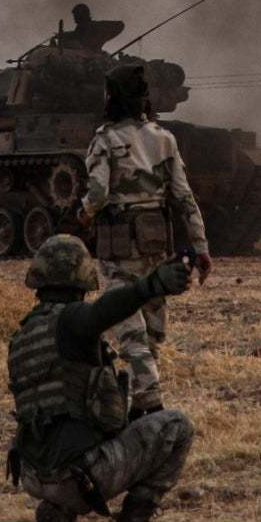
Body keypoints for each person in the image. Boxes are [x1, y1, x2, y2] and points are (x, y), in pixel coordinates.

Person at [7, 235, 194, 522]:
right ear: (82, 278)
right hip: (80, 474)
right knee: (177, 426)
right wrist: (147, 287)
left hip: (35, 473)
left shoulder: (23, 336)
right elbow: (101, 313)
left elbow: (66, 405)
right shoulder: (72, 321)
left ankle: (59, 512)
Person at [75, 61, 210, 417]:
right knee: (151, 328)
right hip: (155, 241)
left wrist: (82, 215)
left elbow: (98, 194)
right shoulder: (164, 138)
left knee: (128, 326)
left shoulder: (105, 139)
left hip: (119, 244)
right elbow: (184, 197)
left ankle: (149, 403)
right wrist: (201, 247)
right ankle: (142, 397)